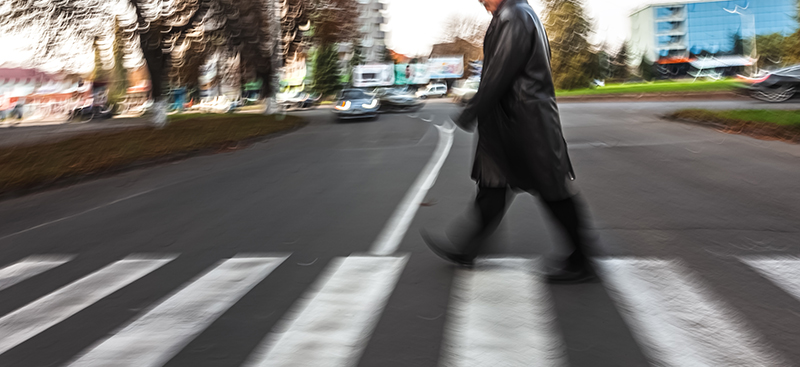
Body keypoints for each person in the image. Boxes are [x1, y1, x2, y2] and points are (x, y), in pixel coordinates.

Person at [422, 0, 598, 283]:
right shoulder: (517, 14)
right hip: (512, 122)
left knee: (553, 190)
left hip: (524, 124)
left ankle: (583, 259)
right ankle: (468, 249)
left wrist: (471, 111)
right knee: (492, 186)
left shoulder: (514, 16)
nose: (482, 3)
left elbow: (498, 75)